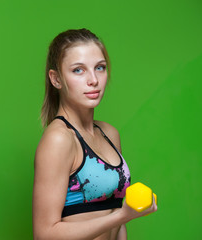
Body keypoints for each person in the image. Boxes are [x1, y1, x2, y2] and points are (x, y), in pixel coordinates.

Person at [32, 28, 157, 240]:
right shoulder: (60, 139)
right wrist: (123, 216)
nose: (94, 80)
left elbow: (115, 210)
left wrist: (121, 217)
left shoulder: (109, 133)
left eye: (100, 68)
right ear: (56, 79)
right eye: (78, 70)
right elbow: (44, 234)